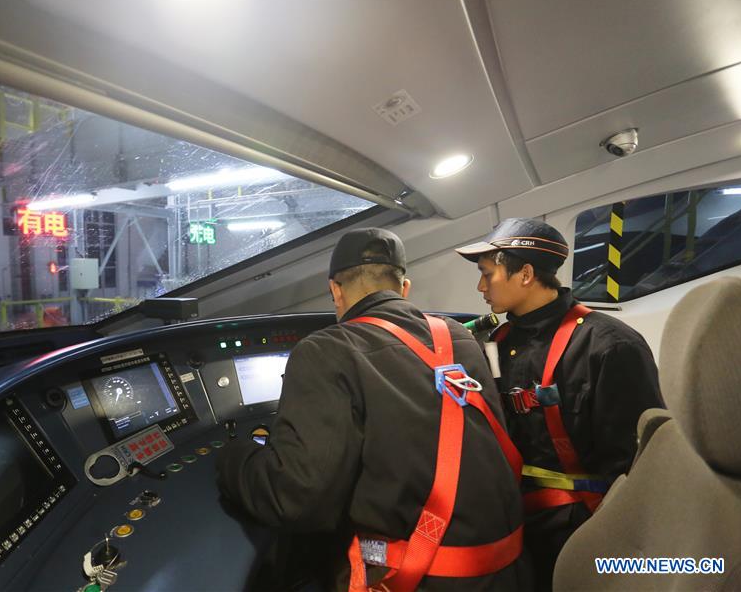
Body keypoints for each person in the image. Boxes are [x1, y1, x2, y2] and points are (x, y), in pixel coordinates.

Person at [217, 227, 532, 591]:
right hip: (511, 570)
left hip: (418, 579)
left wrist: (233, 458)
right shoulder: (458, 336)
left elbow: (296, 498)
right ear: (404, 288)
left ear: (335, 290)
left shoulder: (327, 349)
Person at [455, 218, 664, 591]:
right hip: (517, 528)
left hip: (589, 528)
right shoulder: (495, 345)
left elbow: (642, 463)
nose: (480, 287)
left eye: (487, 274)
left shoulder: (609, 346)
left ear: (525, 274)